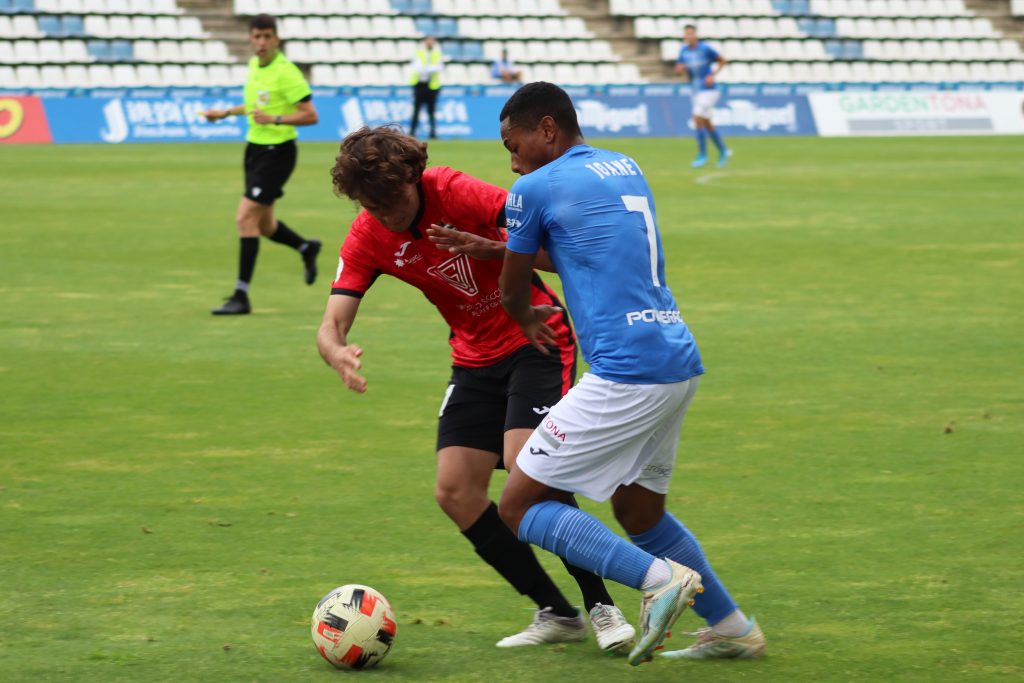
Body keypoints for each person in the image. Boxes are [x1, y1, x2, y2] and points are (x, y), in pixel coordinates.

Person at [317, 125, 636, 652]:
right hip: (472, 359)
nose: (386, 214)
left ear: (414, 177)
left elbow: (556, 247)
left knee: (528, 469)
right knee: (455, 492)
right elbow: (331, 325)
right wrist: (336, 352)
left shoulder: (456, 191)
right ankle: (557, 614)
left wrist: (492, 250)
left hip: (534, 335)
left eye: (393, 200)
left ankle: (601, 605)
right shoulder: (368, 234)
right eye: (371, 205)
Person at [495, 82, 765, 666]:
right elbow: (584, 249)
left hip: (625, 371)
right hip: (675, 356)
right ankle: (732, 628)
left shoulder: (532, 188)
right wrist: (500, 249)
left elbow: (513, 290)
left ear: (547, 129)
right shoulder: (623, 165)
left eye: (513, 145)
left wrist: (524, 316)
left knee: (516, 506)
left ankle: (657, 580)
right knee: (639, 512)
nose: (512, 161)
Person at [202, 13, 321, 315]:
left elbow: (311, 115)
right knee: (265, 225)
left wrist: (275, 119)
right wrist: (224, 114)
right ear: (250, 39)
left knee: (245, 218)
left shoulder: (287, 72)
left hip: (277, 153)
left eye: (267, 36)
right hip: (254, 150)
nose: (262, 42)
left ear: (276, 39)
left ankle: (241, 295)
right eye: (257, 36)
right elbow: (255, 107)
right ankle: (306, 247)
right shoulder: (255, 66)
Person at [675, 24, 730, 169]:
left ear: (696, 34)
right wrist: (679, 70)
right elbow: (679, 69)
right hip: (696, 90)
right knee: (707, 123)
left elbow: (723, 60)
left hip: (709, 90)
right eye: (686, 34)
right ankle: (723, 151)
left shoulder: (705, 49)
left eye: (691, 33)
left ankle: (702, 154)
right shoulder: (683, 51)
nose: (689, 36)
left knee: (697, 118)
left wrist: (712, 75)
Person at [408, 35, 444, 139]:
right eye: (428, 40)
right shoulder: (419, 52)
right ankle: (412, 132)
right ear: (424, 42)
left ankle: (433, 133)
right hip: (419, 85)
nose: (430, 42)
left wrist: (427, 68)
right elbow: (417, 68)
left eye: (432, 40)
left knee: (431, 111)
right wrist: (430, 68)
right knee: (416, 110)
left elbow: (439, 67)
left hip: (432, 86)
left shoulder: (437, 53)